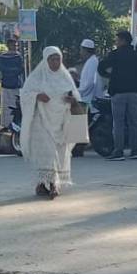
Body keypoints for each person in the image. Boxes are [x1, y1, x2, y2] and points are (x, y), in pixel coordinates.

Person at [20, 46, 81, 198]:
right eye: (52, 59)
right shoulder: (37, 76)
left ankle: (43, 184)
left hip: (61, 123)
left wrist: (72, 100)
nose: (55, 62)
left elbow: (76, 97)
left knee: (59, 153)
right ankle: (53, 184)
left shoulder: (65, 76)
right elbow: (25, 94)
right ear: (46, 60)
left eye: (57, 59)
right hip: (41, 122)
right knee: (47, 153)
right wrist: (37, 96)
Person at [98, 30, 137, 161]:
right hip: (134, 93)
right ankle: (135, 151)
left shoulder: (115, 54)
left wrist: (110, 76)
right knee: (134, 122)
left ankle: (118, 151)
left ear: (123, 40)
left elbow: (101, 67)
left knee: (118, 123)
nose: (116, 42)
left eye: (117, 40)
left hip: (118, 92)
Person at [0, 38, 25, 130]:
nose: (15, 47)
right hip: (14, 83)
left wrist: (8, 72)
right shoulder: (18, 57)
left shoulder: (2, 57)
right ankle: (8, 124)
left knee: (13, 106)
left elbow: (2, 69)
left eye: (16, 45)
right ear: (9, 45)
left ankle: (12, 124)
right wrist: (13, 72)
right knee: (8, 105)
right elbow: (20, 69)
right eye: (14, 45)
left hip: (9, 83)